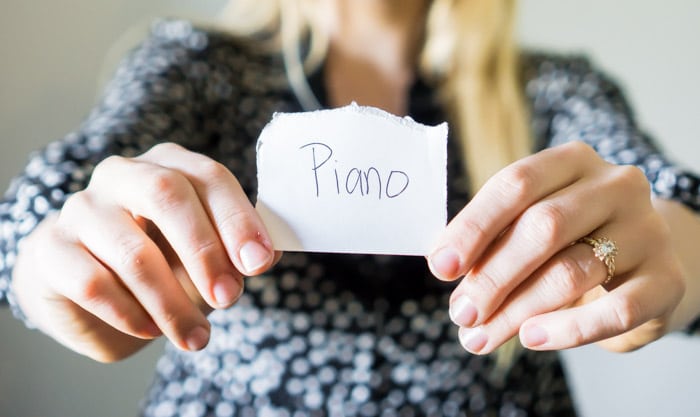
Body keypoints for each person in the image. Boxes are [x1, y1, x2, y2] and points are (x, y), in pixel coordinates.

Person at [2, 0, 700, 415]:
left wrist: (659, 256)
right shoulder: (196, 68)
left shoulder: (551, 90)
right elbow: (44, 211)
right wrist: (58, 269)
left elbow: (674, 212)